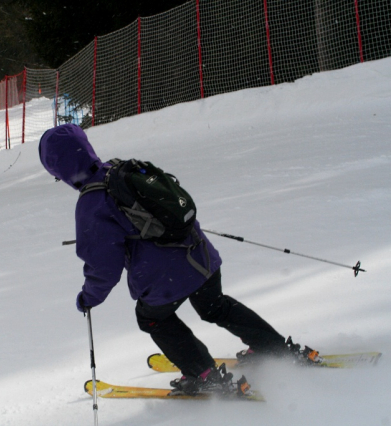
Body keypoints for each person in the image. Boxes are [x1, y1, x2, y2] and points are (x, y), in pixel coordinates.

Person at [38, 124, 319, 395]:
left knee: (152, 319)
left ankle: (203, 374)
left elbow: (103, 267)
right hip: (200, 256)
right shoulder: (122, 169)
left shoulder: (91, 203)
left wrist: (89, 297)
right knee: (215, 306)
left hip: (164, 279)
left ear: (58, 170)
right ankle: (273, 347)